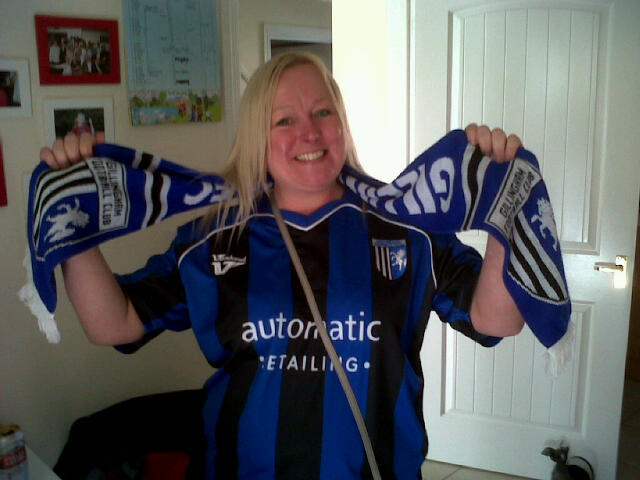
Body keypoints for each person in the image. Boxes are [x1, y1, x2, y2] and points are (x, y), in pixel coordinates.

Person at [40, 52, 524, 479]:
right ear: (258, 136)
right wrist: (72, 220)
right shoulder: (214, 237)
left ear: (341, 123)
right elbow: (115, 322)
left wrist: (502, 211)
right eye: (284, 120)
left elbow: (496, 320)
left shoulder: (406, 227)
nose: (308, 132)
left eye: (322, 112)